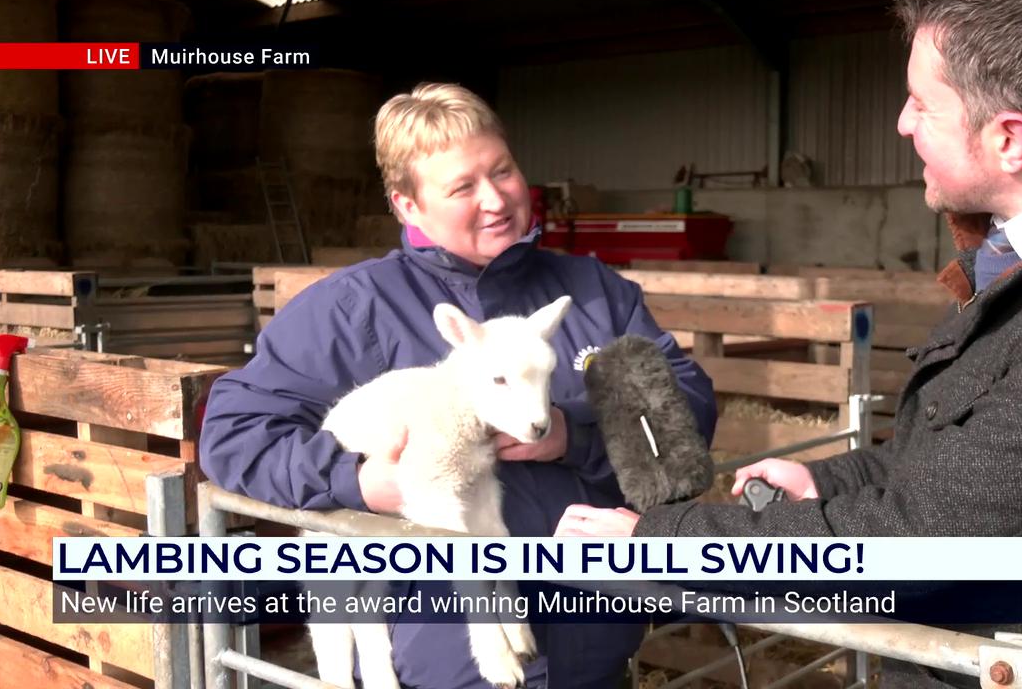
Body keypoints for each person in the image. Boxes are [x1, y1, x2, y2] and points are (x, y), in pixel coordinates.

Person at [555, 0, 1022, 686]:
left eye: (923, 103)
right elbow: (968, 452)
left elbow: (919, 541)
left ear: (1011, 139)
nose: (902, 122)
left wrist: (660, 542)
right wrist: (827, 480)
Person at [199, 82, 717, 688]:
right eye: (462, 187)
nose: (496, 199)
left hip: (596, 640)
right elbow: (235, 434)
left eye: (503, 171)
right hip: (441, 657)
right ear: (408, 206)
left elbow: (686, 416)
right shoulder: (351, 310)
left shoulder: (594, 295)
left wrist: (573, 436)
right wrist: (359, 481)